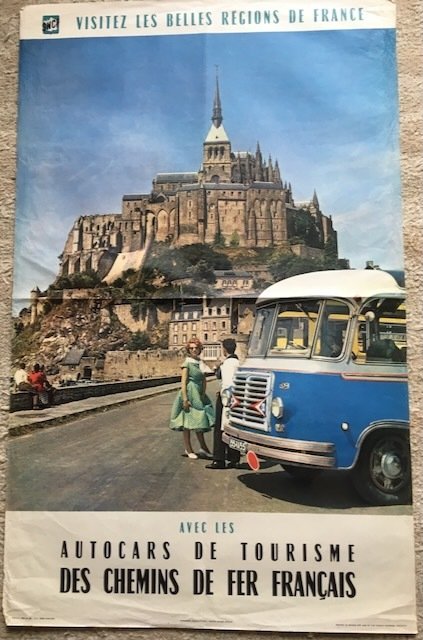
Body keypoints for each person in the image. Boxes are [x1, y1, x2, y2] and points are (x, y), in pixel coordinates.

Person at [169, 338, 214, 459]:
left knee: (199, 420)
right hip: (189, 393)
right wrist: (185, 399)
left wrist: (203, 393)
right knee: (187, 423)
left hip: (199, 394)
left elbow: (204, 379)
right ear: (188, 350)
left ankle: (203, 448)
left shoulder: (200, 362)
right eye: (192, 348)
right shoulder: (187, 363)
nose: (194, 350)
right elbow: (183, 383)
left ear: (200, 349)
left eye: (196, 348)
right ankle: (188, 448)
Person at [206, 338, 241, 470]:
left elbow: (220, 377)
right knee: (234, 428)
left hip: (225, 397)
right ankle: (234, 458)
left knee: (220, 429)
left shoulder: (225, 364)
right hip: (238, 398)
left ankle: (219, 459)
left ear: (224, 349)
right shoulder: (239, 363)